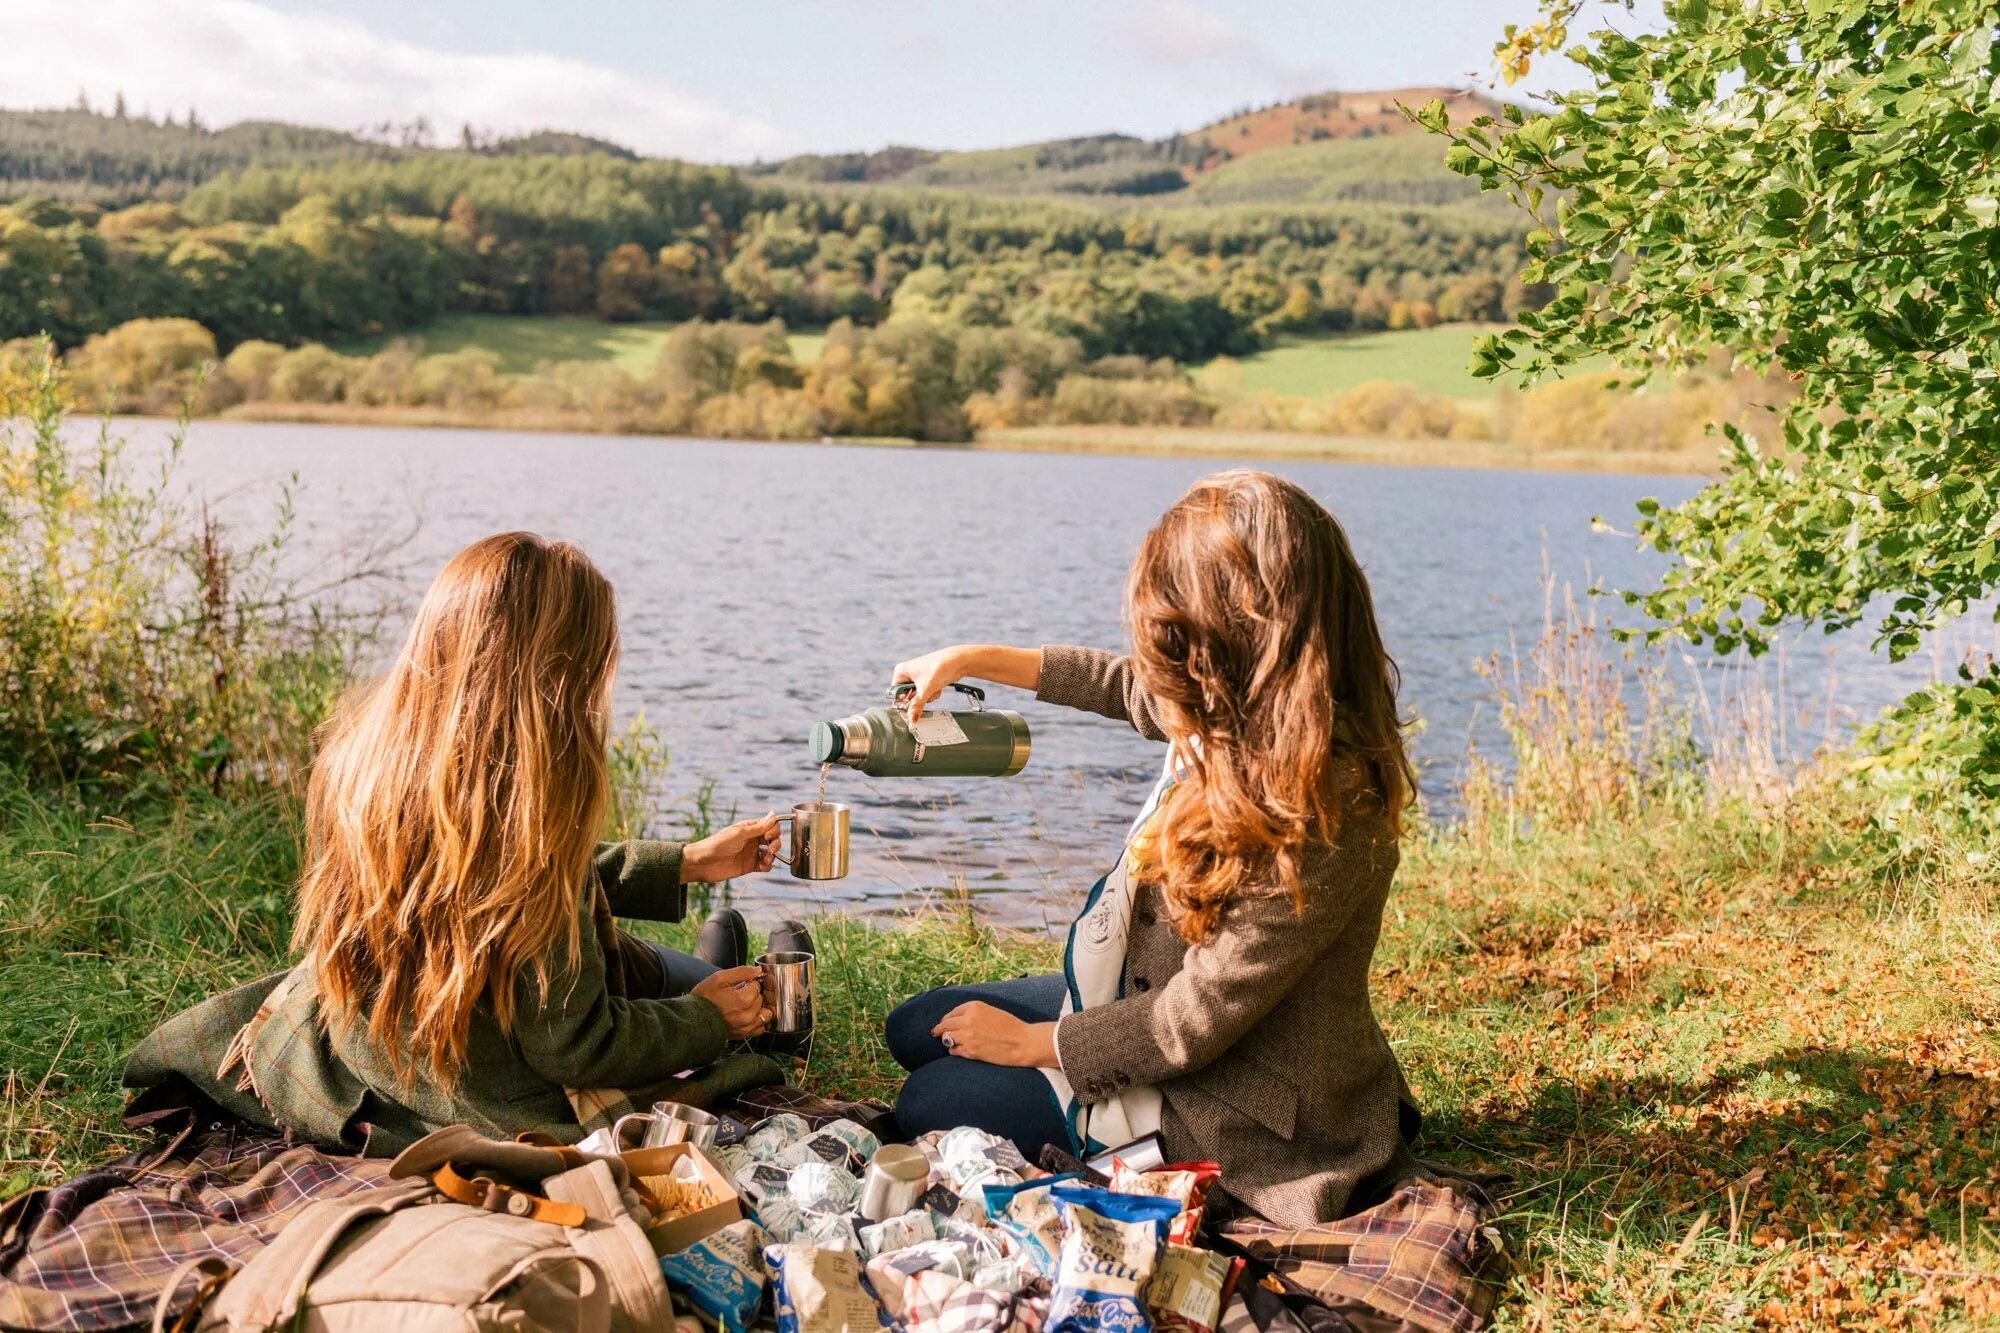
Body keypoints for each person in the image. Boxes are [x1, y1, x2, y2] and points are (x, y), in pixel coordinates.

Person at [126, 532, 803, 1153]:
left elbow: (489, 881)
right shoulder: (531, 821)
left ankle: (713, 984)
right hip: (485, 1078)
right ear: (556, 681)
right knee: (720, 1020)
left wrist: (685, 863)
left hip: (383, 1044)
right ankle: (762, 1012)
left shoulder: (365, 757)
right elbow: (579, 1046)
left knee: (671, 976)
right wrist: (706, 1019)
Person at [883, 470, 1419, 1226]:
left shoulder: (1327, 810)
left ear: (1230, 641)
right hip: (1149, 991)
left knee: (931, 1097)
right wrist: (972, 659)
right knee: (915, 1026)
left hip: (1237, 1096)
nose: (1163, 663)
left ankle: (1108, 1125)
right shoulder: (1234, 713)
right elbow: (1128, 687)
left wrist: (1035, 1042)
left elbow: (1188, 1023)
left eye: (1177, 635)